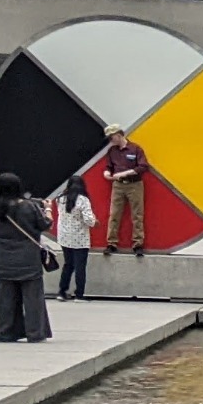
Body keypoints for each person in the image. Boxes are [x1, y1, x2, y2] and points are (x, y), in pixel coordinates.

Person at [0, 172, 52, 343]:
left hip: (3, 258)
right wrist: (48, 209)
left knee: (5, 299)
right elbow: (45, 224)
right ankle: (35, 332)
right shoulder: (29, 206)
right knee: (33, 298)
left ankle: (5, 332)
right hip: (28, 258)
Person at [99, 125, 150, 256]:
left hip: (135, 184)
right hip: (118, 185)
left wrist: (125, 173)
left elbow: (143, 166)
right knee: (114, 214)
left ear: (119, 134)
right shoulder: (112, 151)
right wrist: (106, 172)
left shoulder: (135, 148)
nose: (111, 140)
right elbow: (108, 166)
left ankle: (138, 244)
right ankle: (111, 243)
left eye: (112, 137)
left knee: (137, 215)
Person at [54, 178, 95, 301]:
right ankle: (79, 294)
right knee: (80, 266)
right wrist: (95, 221)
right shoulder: (83, 200)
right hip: (80, 238)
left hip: (64, 237)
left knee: (68, 264)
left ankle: (62, 292)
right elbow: (89, 220)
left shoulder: (60, 198)